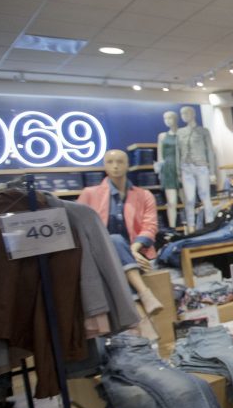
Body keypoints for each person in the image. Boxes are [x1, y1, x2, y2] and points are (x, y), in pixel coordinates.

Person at [78, 150, 162, 315]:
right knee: (114, 240)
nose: (115, 166)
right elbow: (80, 227)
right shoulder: (89, 194)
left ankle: (141, 320)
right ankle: (144, 294)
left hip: (137, 254)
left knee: (116, 246)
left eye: (120, 161)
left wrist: (133, 250)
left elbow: (150, 226)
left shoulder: (144, 195)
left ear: (128, 165)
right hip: (102, 257)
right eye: (110, 162)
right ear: (104, 165)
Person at [178, 106, 217, 233]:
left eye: (187, 113)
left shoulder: (203, 131)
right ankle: (191, 227)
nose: (184, 115)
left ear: (193, 114)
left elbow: (210, 151)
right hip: (186, 167)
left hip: (201, 166)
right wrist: (178, 172)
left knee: (205, 196)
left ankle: (210, 223)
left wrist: (212, 171)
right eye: (182, 113)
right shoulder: (180, 133)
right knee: (189, 199)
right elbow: (177, 153)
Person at [156, 110, 180, 229]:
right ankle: (173, 228)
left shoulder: (182, 134)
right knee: (171, 202)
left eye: (170, 118)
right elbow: (160, 156)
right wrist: (160, 172)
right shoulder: (162, 136)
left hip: (182, 168)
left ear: (175, 119)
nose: (167, 121)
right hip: (168, 169)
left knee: (189, 201)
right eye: (165, 118)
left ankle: (191, 227)